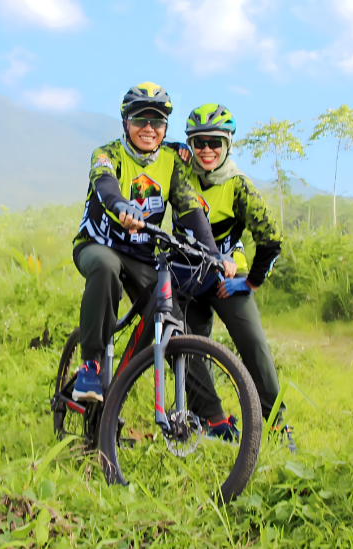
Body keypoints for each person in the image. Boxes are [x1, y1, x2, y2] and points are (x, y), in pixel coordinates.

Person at [71, 83, 234, 402]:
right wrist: (121, 207)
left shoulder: (174, 159)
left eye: (157, 121)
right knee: (105, 267)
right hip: (97, 245)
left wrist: (214, 253)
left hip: (142, 256)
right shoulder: (107, 153)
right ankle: (91, 365)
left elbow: (189, 206)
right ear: (125, 122)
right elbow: (105, 185)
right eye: (140, 119)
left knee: (173, 318)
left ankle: (209, 415)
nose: (149, 128)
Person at [173, 103, 292, 448]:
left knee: (253, 345)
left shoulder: (240, 186)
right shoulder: (180, 172)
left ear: (227, 144)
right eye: (198, 142)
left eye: (214, 142)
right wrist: (174, 148)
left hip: (227, 276)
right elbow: (153, 150)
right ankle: (212, 420)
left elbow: (270, 240)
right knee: (187, 346)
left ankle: (276, 425)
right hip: (186, 274)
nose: (206, 150)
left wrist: (250, 281)